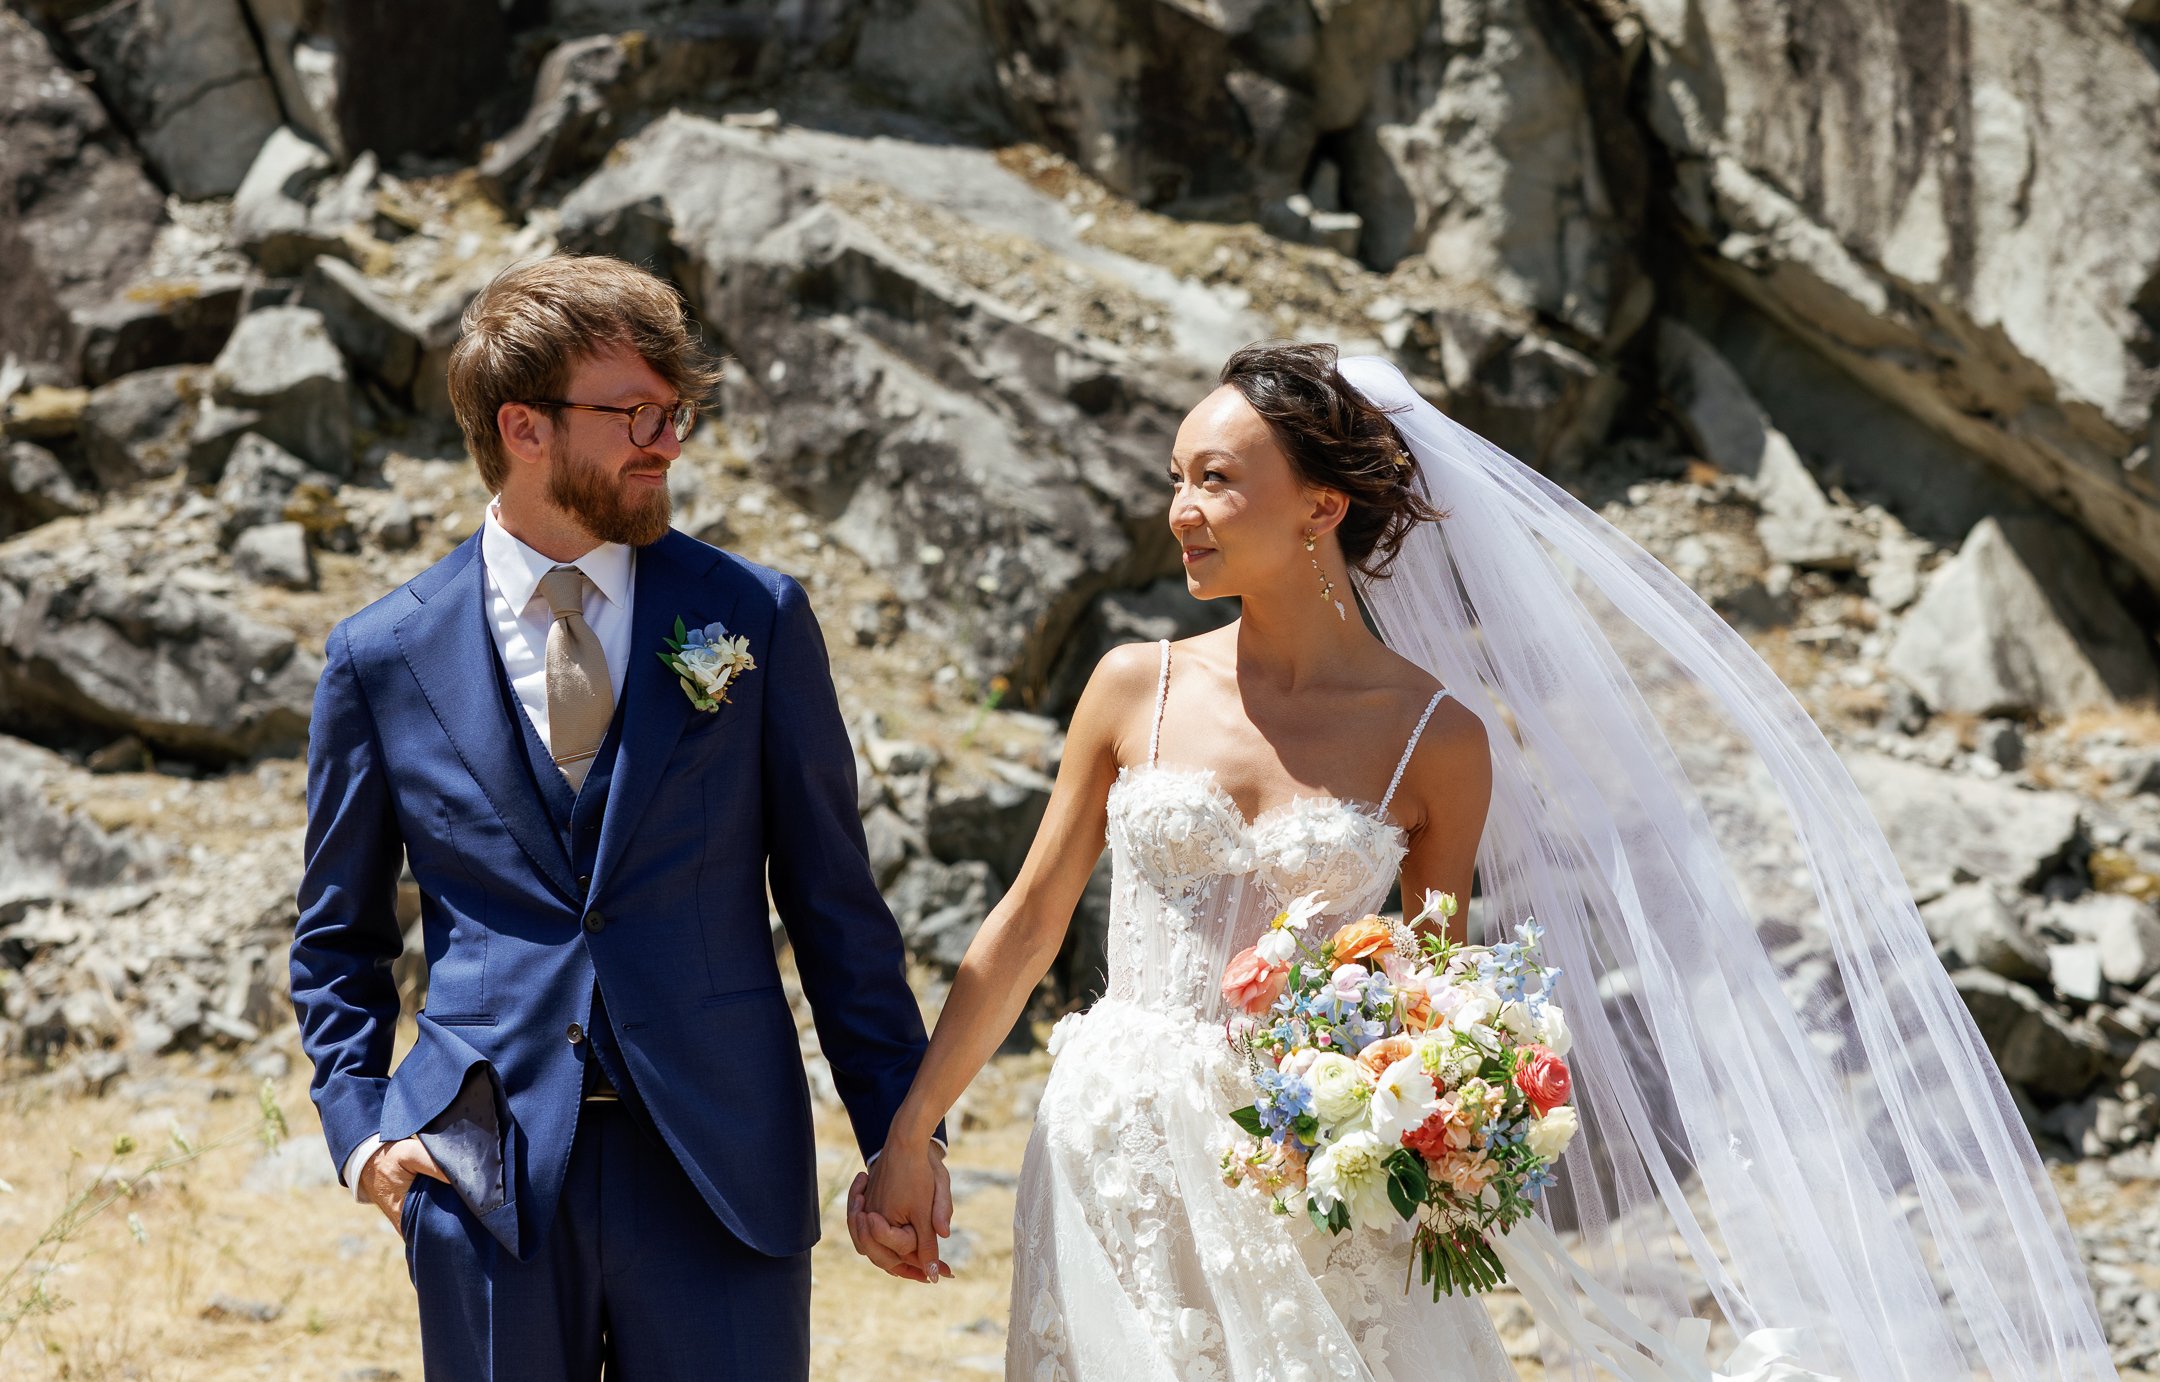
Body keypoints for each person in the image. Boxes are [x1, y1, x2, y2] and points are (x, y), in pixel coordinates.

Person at [852, 342, 2121, 1380]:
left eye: (1218, 480)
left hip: (1306, 1171)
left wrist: (1420, 1123)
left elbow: (1430, 994)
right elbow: (1023, 925)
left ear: (1321, 505)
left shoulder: (1434, 737)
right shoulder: (1136, 684)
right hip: (1113, 1150)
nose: (1180, 508)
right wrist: (914, 1127)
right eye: (1178, 475)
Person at [289, 251, 946, 1381]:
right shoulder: (380, 654)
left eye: (675, 409)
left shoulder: (754, 614)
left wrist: (902, 1134)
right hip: (480, 1174)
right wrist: (366, 1136)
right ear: (524, 427)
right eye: (634, 411)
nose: (667, 440)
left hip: (719, 1164)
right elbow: (337, 940)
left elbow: (837, 907)